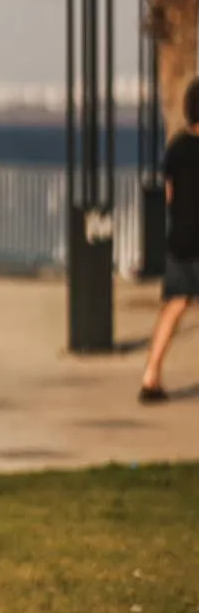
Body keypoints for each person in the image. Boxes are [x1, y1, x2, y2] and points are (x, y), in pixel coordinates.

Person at [139, 76, 199, 403]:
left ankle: (151, 374)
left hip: (179, 239)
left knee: (174, 305)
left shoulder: (176, 147)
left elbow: (170, 194)